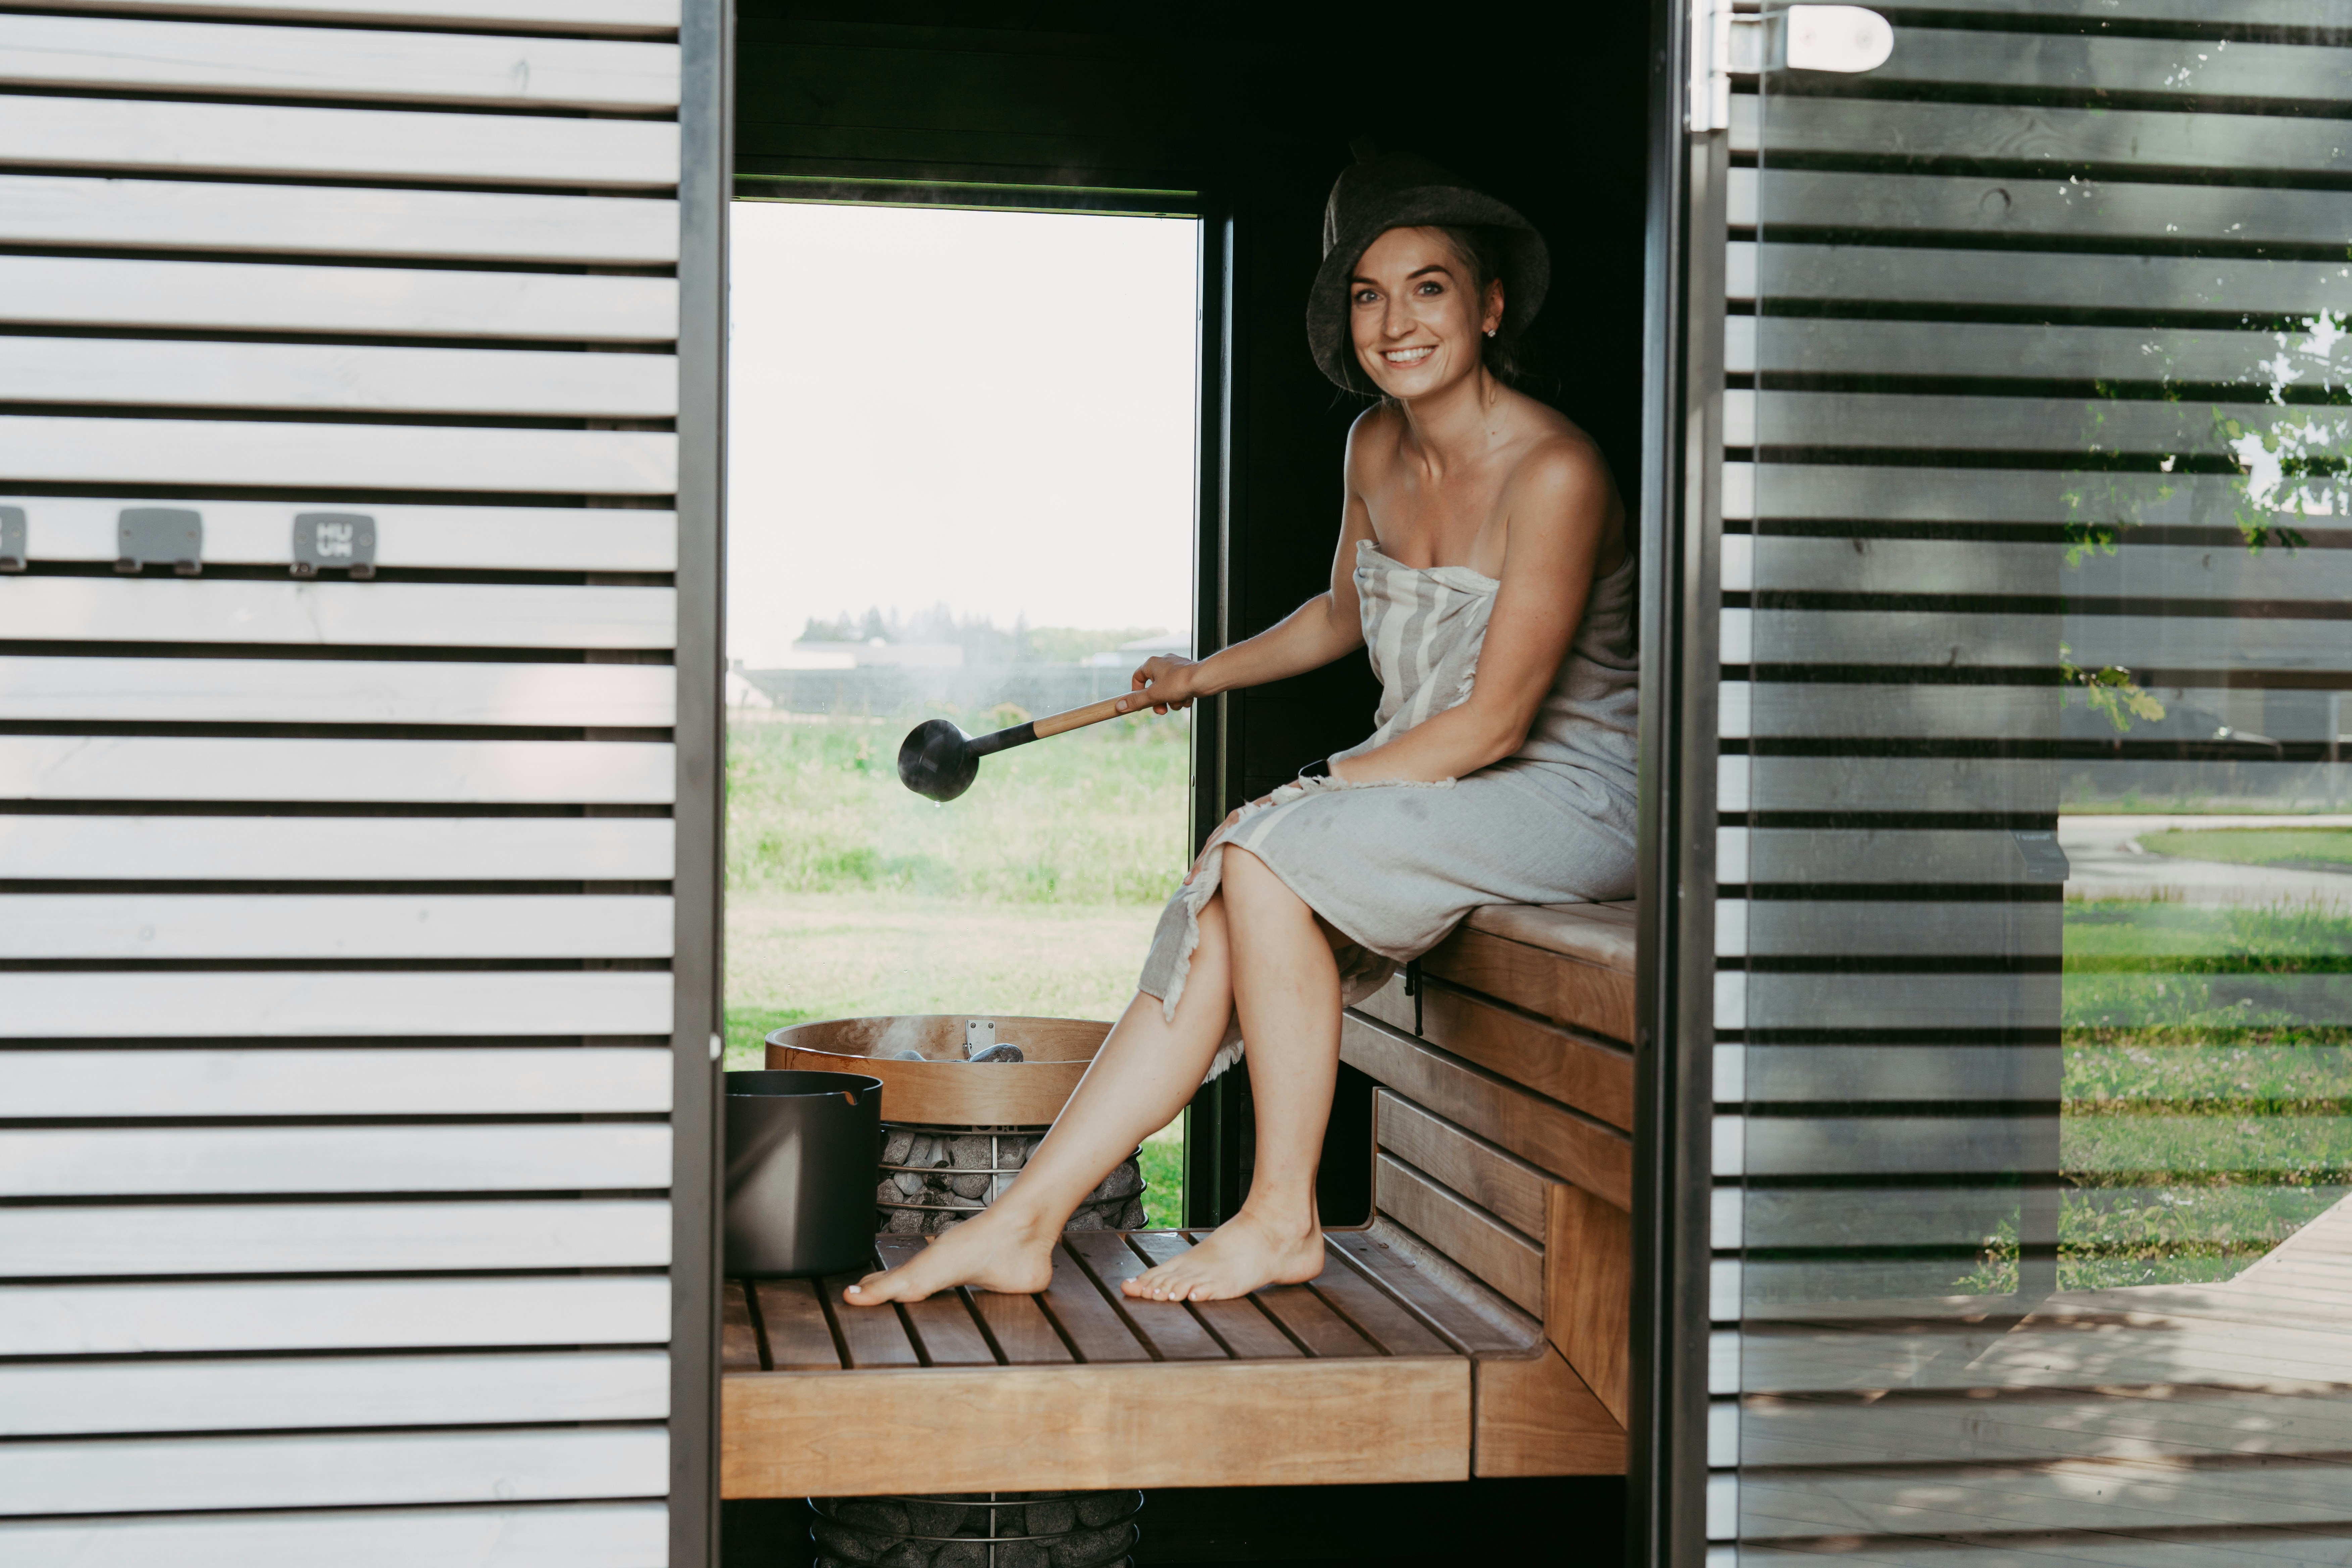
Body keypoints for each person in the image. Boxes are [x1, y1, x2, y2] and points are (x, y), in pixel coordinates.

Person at [846, 150, 1635, 1308]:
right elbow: (1344, 611)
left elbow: (1497, 720)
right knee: (1237, 890)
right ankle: (1024, 1222)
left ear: (1489, 304)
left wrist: (1315, 788)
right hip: (1445, 786)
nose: (1396, 321)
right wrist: (1200, 676)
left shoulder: (1556, 469)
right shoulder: (1373, 447)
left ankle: (1279, 1217)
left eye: (1428, 287)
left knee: (1261, 852)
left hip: (1567, 792)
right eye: (1368, 294)